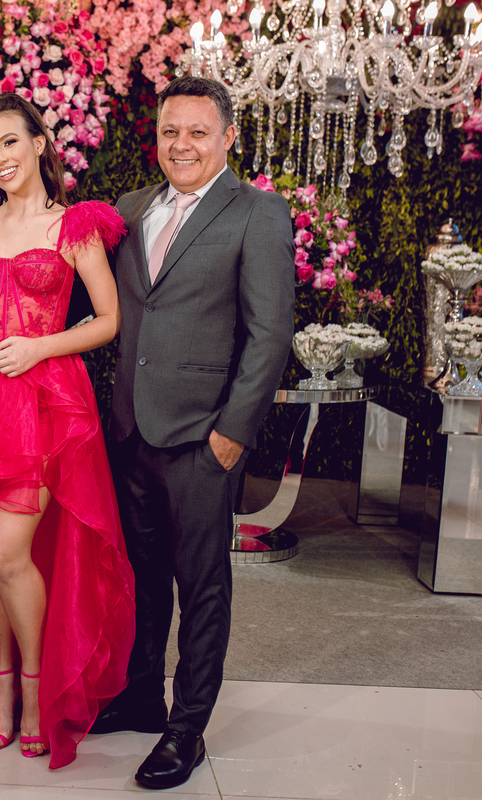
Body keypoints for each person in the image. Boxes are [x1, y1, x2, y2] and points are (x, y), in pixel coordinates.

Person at [0, 92, 136, 768]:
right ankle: (3, 693)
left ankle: (39, 694)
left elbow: (109, 320)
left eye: (9, 142)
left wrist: (40, 347)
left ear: (39, 143)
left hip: (43, 400)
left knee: (7, 552)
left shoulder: (74, 225)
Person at [93, 76, 295, 789]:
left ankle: (186, 730)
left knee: (202, 587)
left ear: (228, 137)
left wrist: (232, 434)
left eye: (198, 132)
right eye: (170, 131)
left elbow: (270, 335)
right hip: (130, 430)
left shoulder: (258, 213)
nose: (182, 145)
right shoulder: (129, 209)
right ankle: (141, 695)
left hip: (204, 438)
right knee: (141, 578)